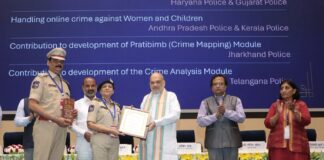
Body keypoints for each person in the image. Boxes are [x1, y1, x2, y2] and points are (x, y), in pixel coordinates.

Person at [28, 48, 76, 160]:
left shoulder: (65, 84)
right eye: (55, 61)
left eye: (61, 62)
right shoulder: (41, 79)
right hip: (45, 127)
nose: (59, 64)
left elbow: (62, 107)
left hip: (61, 128)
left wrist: (72, 114)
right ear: (48, 62)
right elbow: (32, 104)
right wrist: (55, 119)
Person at [197, 74, 246, 160]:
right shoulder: (205, 102)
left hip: (232, 143)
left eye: (221, 84)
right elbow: (200, 121)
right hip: (213, 143)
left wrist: (226, 112)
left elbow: (242, 117)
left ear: (226, 86)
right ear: (211, 87)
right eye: (215, 84)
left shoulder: (235, 100)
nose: (218, 86)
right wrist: (215, 116)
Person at [139, 72, 181, 160]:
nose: (155, 85)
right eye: (152, 82)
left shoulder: (171, 96)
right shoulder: (146, 98)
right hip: (148, 145)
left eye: (158, 82)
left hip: (165, 147)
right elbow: (141, 118)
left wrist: (156, 123)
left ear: (164, 83)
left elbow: (175, 114)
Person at [264, 80, 311, 160]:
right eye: (281, 88)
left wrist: (294, 111)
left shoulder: (301, 104)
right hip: (278, 147)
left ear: (294, 91)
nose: (283, 90)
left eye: (287, 88)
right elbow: (267, 123)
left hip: (298, 146)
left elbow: (307, 120)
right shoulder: (275, 105)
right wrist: (277, 114)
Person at [87, 79, 123, 160]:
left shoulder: (116, 106)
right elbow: (90, 124)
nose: (107, 88)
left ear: (113, 91)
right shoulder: (95, 103)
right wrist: (110, 130)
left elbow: (122, 125)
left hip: (114, 141)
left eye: (110, 87)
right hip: (100, 139)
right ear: (100, 91)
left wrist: (129, 114)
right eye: (104, 87)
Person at [72, 77, 97, 160]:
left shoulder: (102, 104)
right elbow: (72, 124)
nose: (90, 88)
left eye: (92, 86)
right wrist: (84, 133)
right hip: (83, 144)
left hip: (100, 144)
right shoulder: (76, 104)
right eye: (87, 86)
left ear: (96, 87)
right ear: (83, 88)